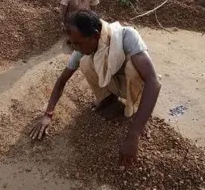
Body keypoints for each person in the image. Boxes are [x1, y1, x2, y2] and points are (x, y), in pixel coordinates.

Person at [30, 10, 162, 168]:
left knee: (134, 68)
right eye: (73, 44)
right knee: (85, 62)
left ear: (95, 35)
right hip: (115, 84)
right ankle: (109, 99)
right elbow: (61, 81)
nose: (76, 48)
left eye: (78, 43)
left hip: (135, 88)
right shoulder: (84, 47)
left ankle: (131, 110)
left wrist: (134, 135)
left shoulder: (126, 36)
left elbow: (153, 83)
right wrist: (48, 114)